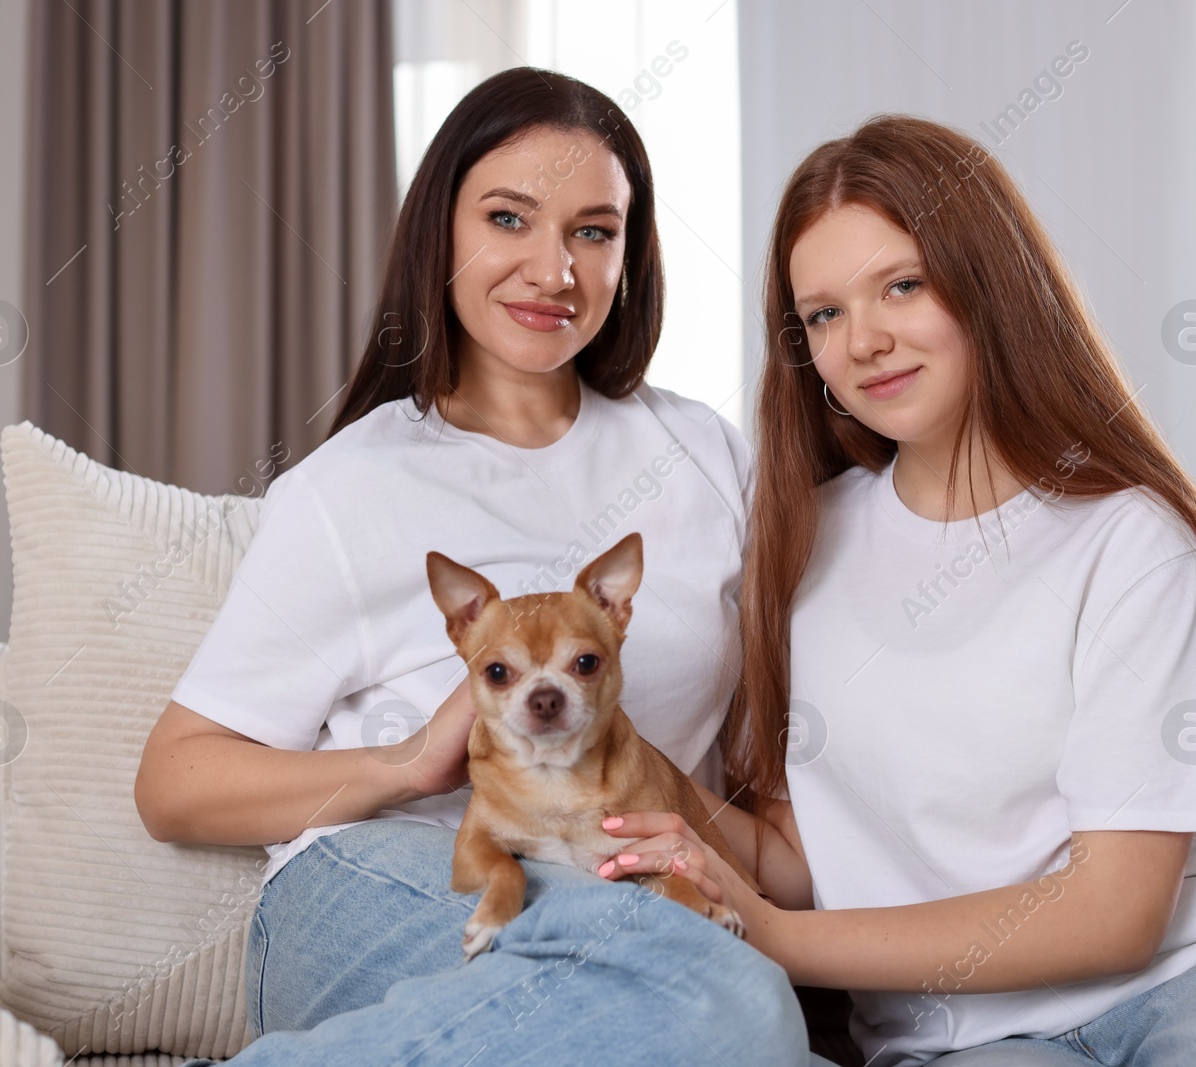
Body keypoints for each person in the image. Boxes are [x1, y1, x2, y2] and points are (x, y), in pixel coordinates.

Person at [595, 115, 1196, 1066]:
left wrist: (772, 936)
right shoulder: (801, 544)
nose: (866, 340)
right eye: (824, 314)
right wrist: (635, 765)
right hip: (965, 1034)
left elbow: (1117, 914)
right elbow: (809, 858)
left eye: (902, 285)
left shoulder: (1128, 536)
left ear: (987, 285)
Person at [134, 67, 815, 1066]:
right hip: (380, 880)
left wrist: (693, 834)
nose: (554, 269)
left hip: (611, 892)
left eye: (594, 231)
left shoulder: (705, 459)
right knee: (723, 998)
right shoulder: (350, 486)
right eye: (509, 218)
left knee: (716, 1002)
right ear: (441, 229)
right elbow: (175, 780)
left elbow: (759, 790)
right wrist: (405, 764)